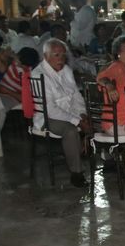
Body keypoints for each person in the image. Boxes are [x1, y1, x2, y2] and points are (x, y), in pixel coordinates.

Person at [31, 38, 90, 188]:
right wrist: (77, 121)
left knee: (96, 120)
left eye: (63, 55)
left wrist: (82, 114)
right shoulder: (38, 74)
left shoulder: (67, 71)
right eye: (56, 55)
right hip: (47, 117)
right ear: (46, 56)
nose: (61, 59)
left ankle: (107, 161)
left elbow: (77, 96)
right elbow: (50, 109)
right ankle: (77, 173)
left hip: (70, 113)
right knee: (70, 131)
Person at [96, 35, 125, 134]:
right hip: (119, 123)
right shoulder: (117, 66)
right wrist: (109, 85)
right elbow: (101, 78)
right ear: (118, 53)